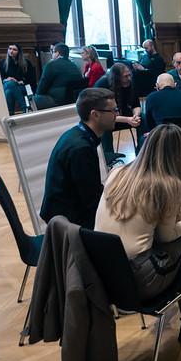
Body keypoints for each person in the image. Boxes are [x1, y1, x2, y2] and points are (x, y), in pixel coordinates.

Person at [94, 124, 181, 343]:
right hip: (139, 280)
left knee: (179, 246)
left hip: (105, 276)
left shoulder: (118, 172)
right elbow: (168, 235)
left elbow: (154, 215)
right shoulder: (167, 185)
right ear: (178, 154)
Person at [40, 88, 117, 229]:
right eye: (113, 110)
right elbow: (91, 200)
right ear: (95, 115)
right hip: (66, 223)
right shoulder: (81, 149)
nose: (116, 115)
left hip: (66, 212)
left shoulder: (77, 134)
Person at [94, 63, 146, 154]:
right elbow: (104, 114)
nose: (129, 78)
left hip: (124, 116)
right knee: (104, 124)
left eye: (130, 75)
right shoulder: (102, 84)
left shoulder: (129, 83)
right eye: (125, 76)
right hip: (106, 117)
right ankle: (109, 157)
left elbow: (136, 105)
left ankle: (143, 152)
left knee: (143, 117)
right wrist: (127, 120)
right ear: (116, 78)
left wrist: (135, 116)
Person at [34, 43, 86, 109]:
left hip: (57, 100)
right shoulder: (74, 65)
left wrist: (37, 94)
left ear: (57, 53)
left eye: (53, 52)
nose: (52, 54)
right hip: (74, 99)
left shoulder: (51, 64)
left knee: (33, 100)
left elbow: (42, 87)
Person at [0, 43, 36, 115]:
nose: (11, 51)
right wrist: (6, 79)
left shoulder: (26, 62)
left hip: (22, 86)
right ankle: (25, 108)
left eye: (14, 49)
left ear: (19, 52)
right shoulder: (3, 62)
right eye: (10, 49)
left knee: (9, 91)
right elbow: (0, 77)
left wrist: (21, 82)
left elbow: (32, 79)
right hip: (8, 85)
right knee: (9, 85)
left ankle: (10, 114)